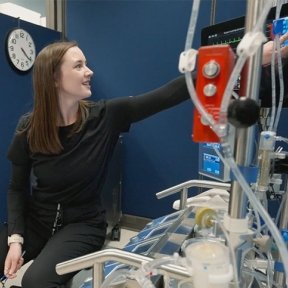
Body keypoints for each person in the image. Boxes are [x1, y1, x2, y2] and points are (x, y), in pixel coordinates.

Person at [0, 41, 190, 288]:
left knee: (36, 281)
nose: (89, 71)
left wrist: (232, 61)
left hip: (83, 223)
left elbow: (167, 95)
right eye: (79, 66)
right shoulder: (29, 128)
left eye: (86, 64)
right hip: (37, 219)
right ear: (54, 78)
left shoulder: (106, 116)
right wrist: (16, 239)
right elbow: (16, 188)